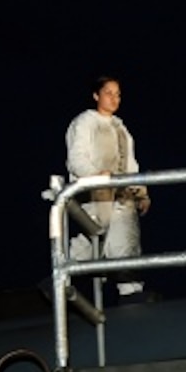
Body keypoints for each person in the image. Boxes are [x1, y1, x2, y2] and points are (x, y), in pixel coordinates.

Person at [65, 75, 151, 296]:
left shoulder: (122, 129)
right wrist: (94, 175)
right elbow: (76, 158)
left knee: (126, 244)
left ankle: (132, 295)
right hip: (95, 196)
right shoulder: (85, 122)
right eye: (108, 93)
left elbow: (131, 164)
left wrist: (142, 193)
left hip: (122, 196)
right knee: (94, 240)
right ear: (96, 96)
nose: (114, 98)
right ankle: (62, 275)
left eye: (118, 94)